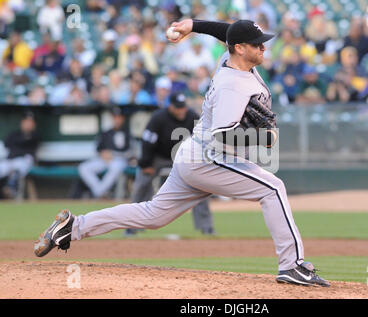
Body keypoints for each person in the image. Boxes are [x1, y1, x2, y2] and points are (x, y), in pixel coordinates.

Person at [34, 19, 330, 288]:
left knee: (152, 215)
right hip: (211, 158)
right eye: (257, 43)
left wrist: (193, 25)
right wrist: (263, 137)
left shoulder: (231, 59)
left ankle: (74, 226)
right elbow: (223, 134)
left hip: (192, 154)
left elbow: (226, 33)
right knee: (273, 188)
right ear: (240, 49)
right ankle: (292, 266)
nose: (263, 46)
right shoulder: (233, 86)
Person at [126, 92, 215, 236]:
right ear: (170, 107)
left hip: (183, 157)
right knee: (141, 184)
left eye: (183, 107)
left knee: (201, 185)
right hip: (159, 157)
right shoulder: (158, 118)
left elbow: (203, 141)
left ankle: (207, 227)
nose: (181, 111)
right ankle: (132, 227)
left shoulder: (192, 116)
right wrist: (146, 164)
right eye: (178, 107)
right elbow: (147, 142)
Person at [77, 107, 131, 198]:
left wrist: (113, 154)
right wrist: (103, 153)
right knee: (83, 168)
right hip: (103, 159)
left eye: (119, 117)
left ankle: (99, 193)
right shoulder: (106, 132)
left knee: (115, 167)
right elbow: (98, 148)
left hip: (119, 160)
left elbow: (130, 151)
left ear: (123, 119)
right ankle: (101, 192)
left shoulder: (127, 133)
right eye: (115, 117)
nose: (117, 120)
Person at [0, 112, 39, 199]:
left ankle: (11, 188)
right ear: (22, 122)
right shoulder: (14, 134)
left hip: (24, 160)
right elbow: (7, 143)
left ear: (34, 124)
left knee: (19, 166)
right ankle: (7, 189)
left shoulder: (35, 136)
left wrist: (18, 145)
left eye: (30, 122)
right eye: (26, 121)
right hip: (10, 160)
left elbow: (28, 145)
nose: (28, 124)